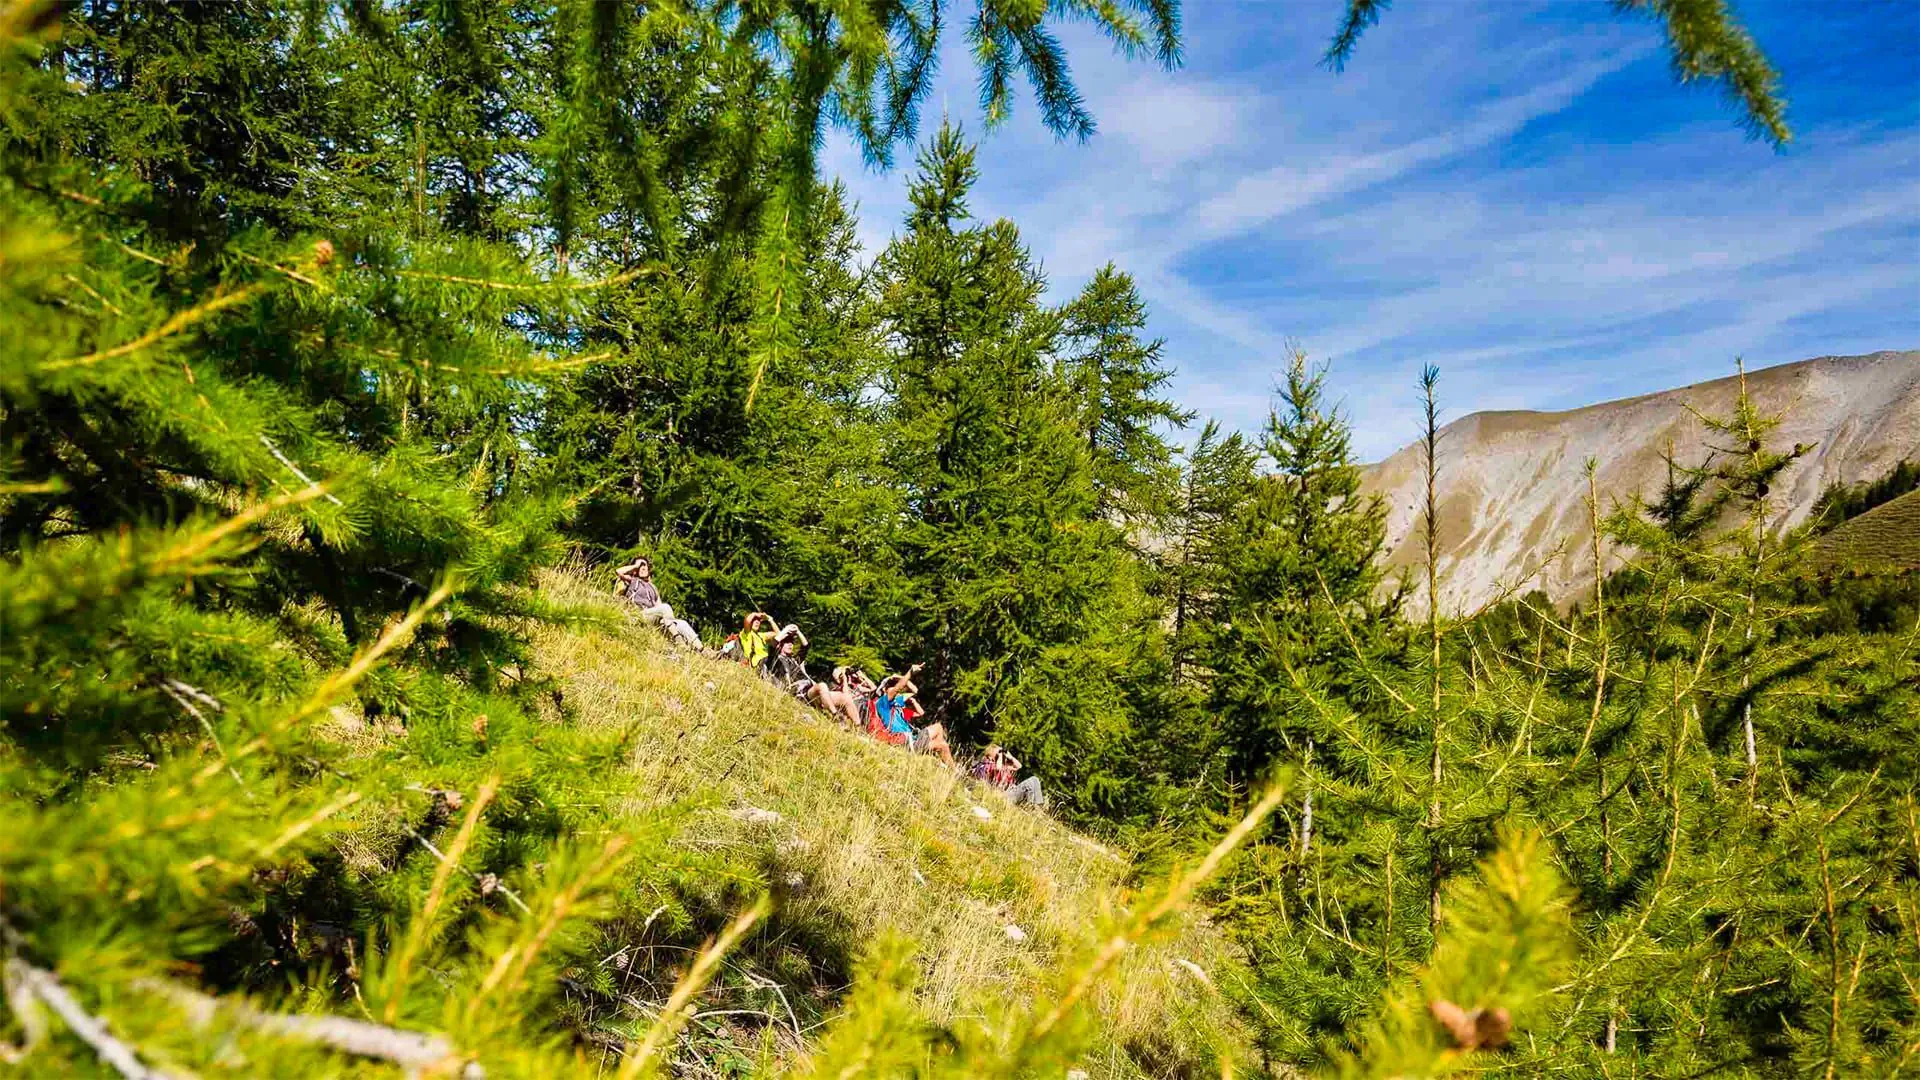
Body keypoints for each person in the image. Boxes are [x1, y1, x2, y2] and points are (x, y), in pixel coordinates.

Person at [869, 665, 954, 767]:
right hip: (904, 742)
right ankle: (955, 772)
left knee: (938, 727)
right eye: (892, 686)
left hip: (912, 736)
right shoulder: (883, 703)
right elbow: (898, 688)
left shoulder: (897, 702)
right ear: (884, 690)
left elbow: (914, 690)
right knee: (943, 746)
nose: (897, 690)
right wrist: (910, 672)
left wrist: (900, 677)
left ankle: (938, 757)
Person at [612, 555, 702, 649]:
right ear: (635, 570)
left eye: (644, 565)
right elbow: (618, 571)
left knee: (682, 623)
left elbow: (659, 606)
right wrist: (635, 565)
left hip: (653, 617)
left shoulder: (653, 587)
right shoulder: (632, 580)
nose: (642, 567)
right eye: (640, 565)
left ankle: (702, 650)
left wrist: (667, 621)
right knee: (666, 607)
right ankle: (678, 641)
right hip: (639, 614)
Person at [974, 744, 1045, 808]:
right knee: (1030, 782)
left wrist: (1010, 757)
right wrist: (1000, 756)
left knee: (1035, 779)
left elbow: (1019, 766)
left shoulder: (1004, 766)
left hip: (1011, 792)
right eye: (996, 754)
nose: (1000, 755)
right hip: (1003, 796)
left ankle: (1037, 806)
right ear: (990, 756)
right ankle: (1032, 807)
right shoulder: (988, 766)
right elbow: (998, 769)